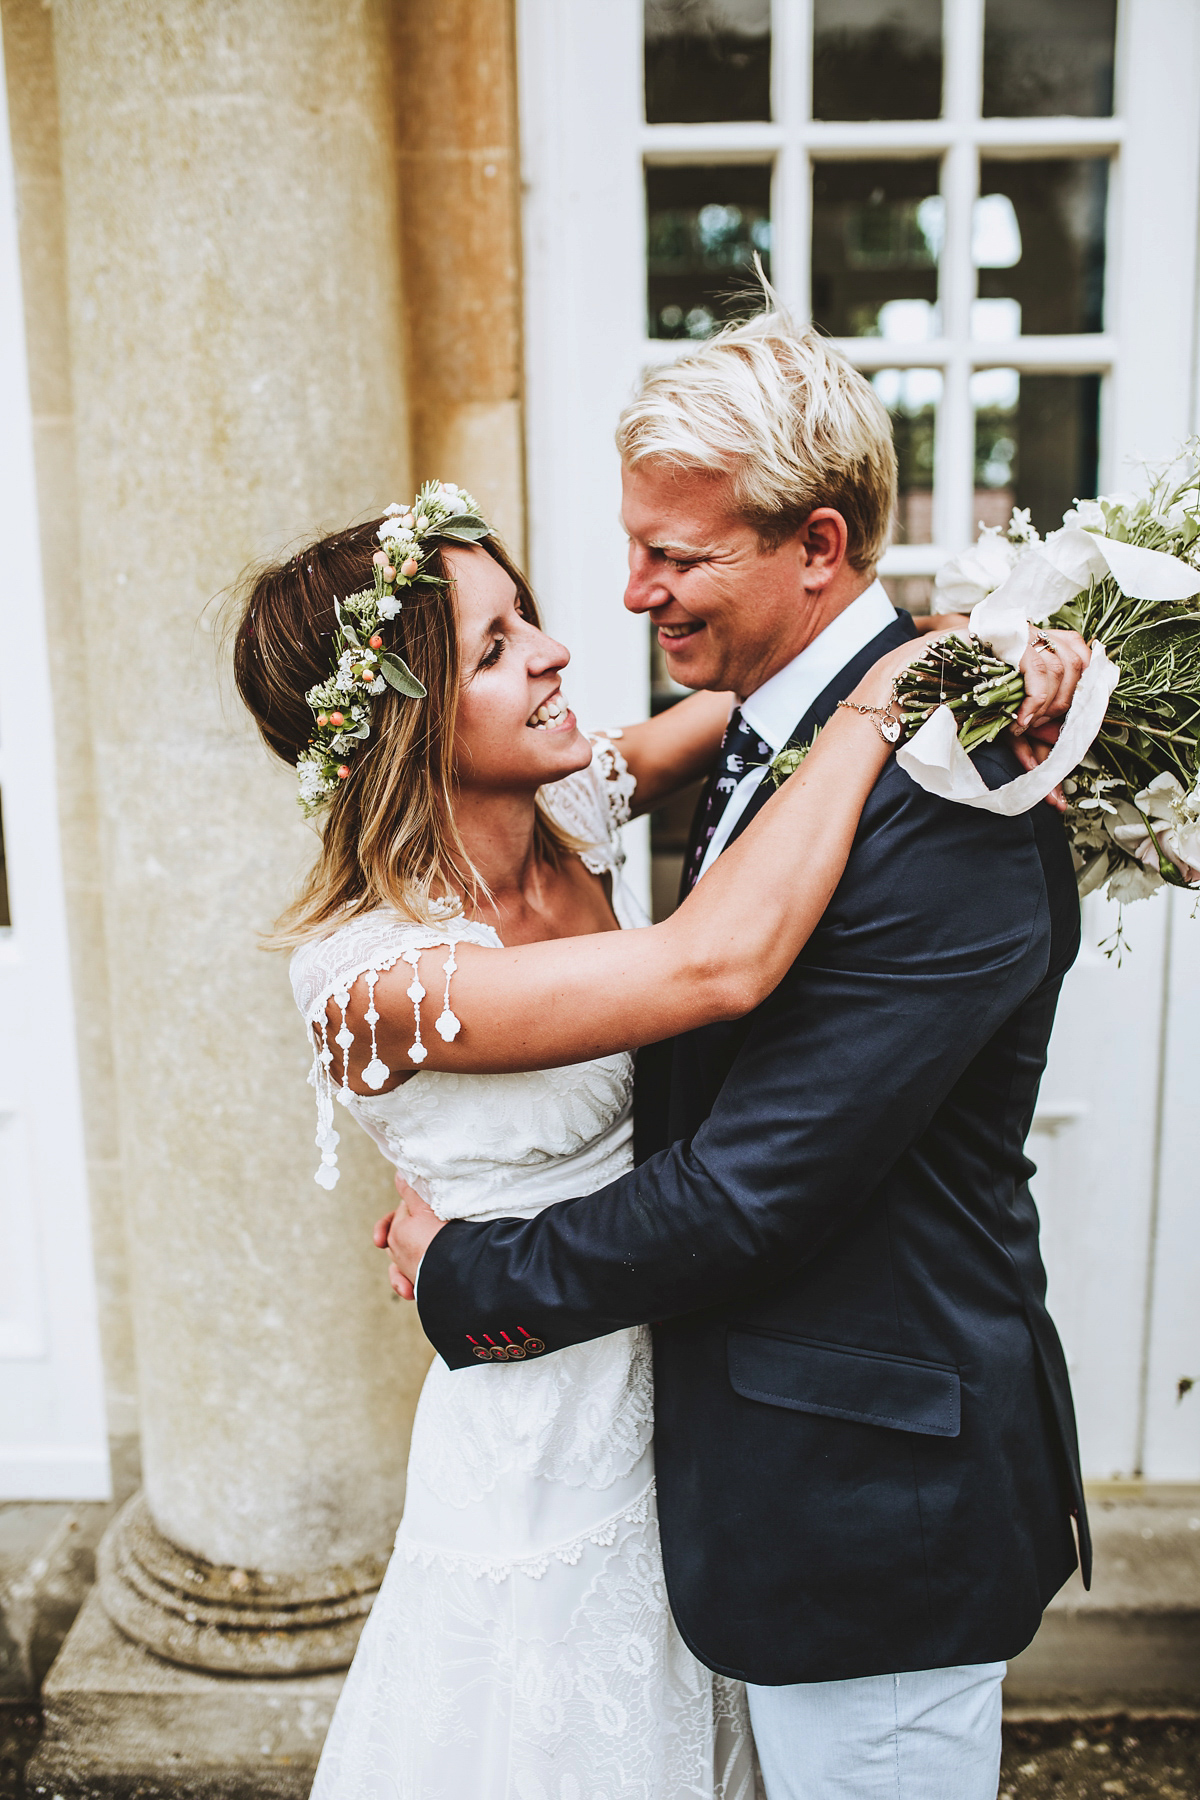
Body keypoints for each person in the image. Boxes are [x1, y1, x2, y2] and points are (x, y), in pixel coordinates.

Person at [381, 315, 1094, 1800]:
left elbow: (750, 1189)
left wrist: (473, 1277)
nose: (633, 595)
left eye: (677, 560)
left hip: (875, 1513)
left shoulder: (946, 792)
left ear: (818, 545)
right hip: (756, 1484)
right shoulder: (797, 730)